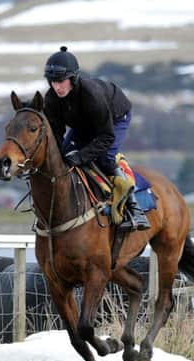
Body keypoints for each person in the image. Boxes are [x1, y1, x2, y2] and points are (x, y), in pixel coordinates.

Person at [42, 46, 150, 231]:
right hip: (84, 124)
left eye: (61, 81)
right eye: (52, 82)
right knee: (63, 157)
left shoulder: (92, 96)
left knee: (104, 158)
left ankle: (134, 208)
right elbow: (57, 133)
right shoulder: (51, 99)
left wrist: (81, 156)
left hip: (115, 119)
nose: (57, 87)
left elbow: (106, 136)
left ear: (73, 78)